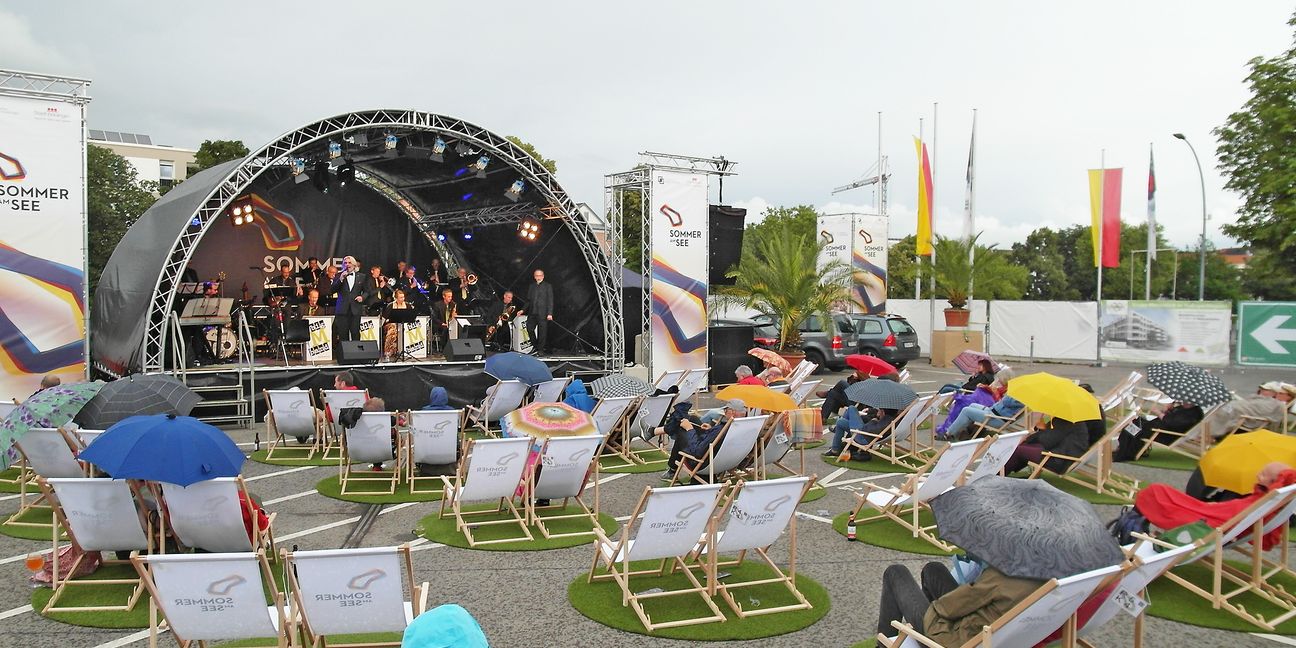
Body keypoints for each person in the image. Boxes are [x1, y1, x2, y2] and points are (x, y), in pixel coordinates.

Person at [1132, 462, 1296, 551]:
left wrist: (1213, 509)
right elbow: (1232, 511)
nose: (1257, 475)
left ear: (1273, 482)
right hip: (1216, 517)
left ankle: (1132, 527)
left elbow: (1228, 517)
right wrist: (1216, 507)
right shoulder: (1268, 502)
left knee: (1158, 491)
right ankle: (1135, 524)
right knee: (1161, 491)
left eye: (1263, 474)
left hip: (1208, 525)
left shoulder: (1263, 503)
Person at [873, 561, 1042, 646]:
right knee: (934, 569)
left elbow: (948, 608)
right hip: (983, 631)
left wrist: (985, 577)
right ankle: (921, 639)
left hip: (952, 636)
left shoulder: (1002, 577)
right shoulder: (1043, 579)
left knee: (895, 572)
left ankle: (884, 646)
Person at [1113, 399, 1204, 461]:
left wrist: (1159, 413)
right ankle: (1124, 448)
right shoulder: (1191, 410)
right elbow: (1173, 418)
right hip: (1161, 429)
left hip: (1165, 434)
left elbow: (1171, 423)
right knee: (1136, 423)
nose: (1183, 402)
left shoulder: (1192, 415)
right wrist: (1170, 409)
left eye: (1185, 401)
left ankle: (1125, 450)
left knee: (1135, 427)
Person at [1001, 413, 1091, 474]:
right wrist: (1040, 427)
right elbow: (1050, 438)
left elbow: (1047, 440)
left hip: (1060, 460)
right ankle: (1003, 470)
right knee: (1025, 446)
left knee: (1019, 449)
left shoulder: (1067, 421)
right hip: (1061, 456)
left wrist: (1036, 431)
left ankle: (999, 474)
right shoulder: (1071, 419)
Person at [331, 256, 376, 353]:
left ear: (354, 264)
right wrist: (341, 279)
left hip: (355, 309)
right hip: (342, 309)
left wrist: (362, 297)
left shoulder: (362, 276)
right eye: (345, 263)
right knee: (343, 334)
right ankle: (344, 355)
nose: (347, 265)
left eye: (349, 263)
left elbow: (367, 291)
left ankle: (356, 355)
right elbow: (332, 290)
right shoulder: (339, 276)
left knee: (355, 333)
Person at [939, 391, 1026, 441]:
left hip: (996, 419)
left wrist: (1009, 394)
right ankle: (962, 432)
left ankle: (948, 434)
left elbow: (1006, 402)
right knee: (972, 405)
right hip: (992, 412)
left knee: (966, 411)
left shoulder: (1021, 401)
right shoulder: (1020, 397)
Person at [518, 268, 553, 356]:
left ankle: (540, 350)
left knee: (542, 332)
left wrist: (550, 313)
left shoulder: (548, 286)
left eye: (540, 275)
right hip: (532, 312)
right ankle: (536, 346)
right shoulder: (532, 286)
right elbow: (528, 301)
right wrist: (522, 310)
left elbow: (550, 301)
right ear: (534, 276)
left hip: (543, 313)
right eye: (537, 275)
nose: (538, 277)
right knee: (529, 329)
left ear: (543, 276)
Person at [382, 289, 414, 360]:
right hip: (390, 325)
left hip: (402, 324)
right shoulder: (390, 305)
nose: (403, 299)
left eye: (403, 297)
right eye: (401, 297)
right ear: (396, 298)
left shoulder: (408, 305)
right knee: (393, 328)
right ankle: (387, 352)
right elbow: (384, 318)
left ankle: (404, 351)